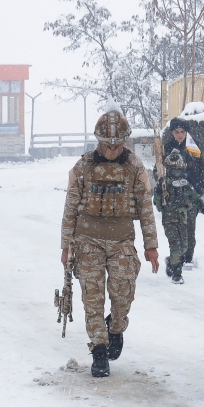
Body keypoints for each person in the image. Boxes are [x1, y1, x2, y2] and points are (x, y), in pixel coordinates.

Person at [60, 109, 160, 378]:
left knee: (123, 292)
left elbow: (146, 208)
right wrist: (66, 246)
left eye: (117, 145)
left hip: (122, 240)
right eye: (107, 145)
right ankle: (99, 350)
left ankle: (116, 327)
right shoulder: (83, 167)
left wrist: (151, 246)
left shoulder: (135, 167)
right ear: (99, 142)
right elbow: (70, 207)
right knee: (92, 297)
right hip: (87, 240)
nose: (113, 150)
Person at [153, 148, 204, 284]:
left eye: (179, 171)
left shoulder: (185, 184)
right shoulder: (163, 184)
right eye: (174, 170)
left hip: (182, 219)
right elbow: (157, 203)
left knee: (184, 246)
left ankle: (171, 262)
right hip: (169, 220)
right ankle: (177, 274)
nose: (177, 173)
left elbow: (195, 197)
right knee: (176, 246)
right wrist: (160, 192)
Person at [162, 117, 203, 266]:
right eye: (177, 132)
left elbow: (200, 170)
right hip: (172, 195)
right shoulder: (166, 148)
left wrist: (198, 189)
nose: (180, 135)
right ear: (172, 133)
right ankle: (176, 258)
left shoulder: (193, 147)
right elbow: (160, 170)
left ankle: (188, 257)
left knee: (189, 227)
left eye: (183, 132)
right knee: (175, 228)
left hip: (190, 193)